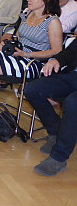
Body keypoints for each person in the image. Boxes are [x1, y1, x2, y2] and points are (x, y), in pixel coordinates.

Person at [24, 38, 77, 176]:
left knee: (72, 102)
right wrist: (57, 60)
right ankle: (56, 131)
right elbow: (71, 51)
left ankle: (59, 157)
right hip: (73, 76)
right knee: (32, 89)